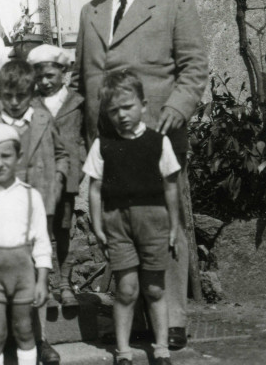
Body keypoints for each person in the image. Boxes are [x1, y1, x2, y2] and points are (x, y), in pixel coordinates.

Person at [72, 0, 208, 349]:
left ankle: (171, 320)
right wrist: (82, 136)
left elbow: (194, 68)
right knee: (120, 224)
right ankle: (136, 321)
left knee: (163, 220)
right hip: (108, 140)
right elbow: (83, 78)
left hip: (154, 134)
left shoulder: (173, 4)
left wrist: (175, 109)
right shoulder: (91, 10)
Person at [84, 70, 181, 365]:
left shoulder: (158, 142)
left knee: (154, 287)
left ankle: (161, 347)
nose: (122, 115)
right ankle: (123, 351)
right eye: (114, 110)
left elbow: (170, 186)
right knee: (126, 289)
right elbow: (95, 189)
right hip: (117, 222)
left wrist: (174, 226)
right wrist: (98, 224)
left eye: (127, 107)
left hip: (154, 221)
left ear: (143, 105)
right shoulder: (103, 145)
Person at [0, 60, 67, 363]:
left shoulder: (42, 118)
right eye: (8, 96)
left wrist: (55, 182)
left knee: (36, 267)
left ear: (32, 92)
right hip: (3, 206)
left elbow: (62, 153)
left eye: (22, 95)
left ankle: (38, 340)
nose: (15, 103)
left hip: (37, 202)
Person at [0, 124, 51, 365]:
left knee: (24, 329)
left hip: (23, 275)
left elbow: (41, 242)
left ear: (18, 157)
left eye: (6, 156)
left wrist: (42, 280)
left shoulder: (30, 195)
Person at [28, 44, 86, 307]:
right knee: (42, 231)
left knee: (63, 230)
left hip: (67, 178)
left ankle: (65, 283)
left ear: (64, 72)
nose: (45, 81)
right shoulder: (31, 103)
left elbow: (84, 138)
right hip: (39, 179)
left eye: (50, 75)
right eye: (39, 76)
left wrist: (80, 167)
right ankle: (48, 286)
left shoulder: (77, 102)